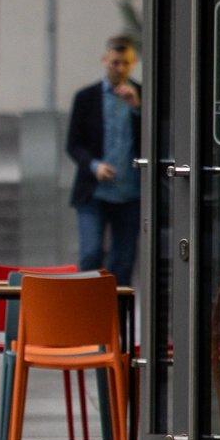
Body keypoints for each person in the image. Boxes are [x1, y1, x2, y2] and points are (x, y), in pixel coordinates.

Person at [66, 35, 142, 286]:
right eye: (115, 63)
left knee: (123, 261)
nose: (119, 69)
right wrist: (94, 166)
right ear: (105, 60)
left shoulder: (141, 96)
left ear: (133, 64)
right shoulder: (86, 98)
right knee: (90, 254)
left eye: (125, 63)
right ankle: (87, 315)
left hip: (129, 192)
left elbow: (157, 141)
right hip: (94, 191)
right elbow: (73, 144)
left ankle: (116, 319)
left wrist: (138, 109)